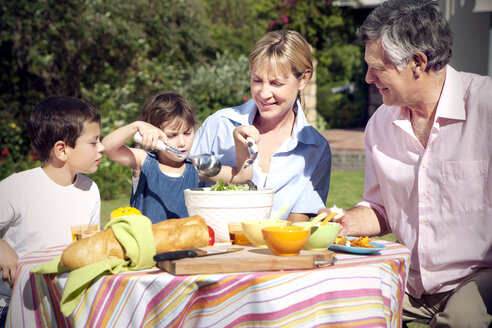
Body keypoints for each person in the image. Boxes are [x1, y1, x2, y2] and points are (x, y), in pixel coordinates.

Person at [319, 0, 492, 327]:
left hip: (478, 276)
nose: (368, 78)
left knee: (459, 321)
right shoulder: (379, 125)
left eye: (377, 67)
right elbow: (379, 208)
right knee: (339, 310)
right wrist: (342, 221)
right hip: (409, 279)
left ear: (417, 62)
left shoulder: (486, 106)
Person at [191, 30, 331, 223]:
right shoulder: (219, 125)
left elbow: (298, 224)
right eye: (257, 80)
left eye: (276, 83)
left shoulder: (316, 149)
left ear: (303, 79)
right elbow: (181, 181)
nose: (264, 93)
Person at [0, 96, 104, 326]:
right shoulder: (17, 188)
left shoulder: (90, 189)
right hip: (13, 307)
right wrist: (2, 246)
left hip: (66, 305)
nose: (102, 147)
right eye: (94, 142)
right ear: (62, 150)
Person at [102, 91, 252, 224]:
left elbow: (241, 176)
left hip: (182, 246)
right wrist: (136, 126)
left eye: (187, 133)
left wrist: (240, 142)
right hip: (146, 248)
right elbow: (107, 147)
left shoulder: (196, 167)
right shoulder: (144, 161)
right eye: (172, 135)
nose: (182, 143)